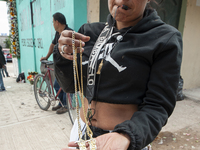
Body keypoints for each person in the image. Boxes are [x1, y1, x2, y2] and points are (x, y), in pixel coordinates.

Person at [54, 0, 183, 149]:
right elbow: (69, 86)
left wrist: (126, 136)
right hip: (81, 130)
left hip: (123, 139)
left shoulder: (164, 38)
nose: (121, 1)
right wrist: (62, 55)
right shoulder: (89, 33)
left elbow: (158, 105)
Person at [40, 12, 73, 114]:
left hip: (67, 66)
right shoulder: (58, 33)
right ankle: (61, 103)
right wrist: (46, 56)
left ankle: (66, 106)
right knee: (57, 86)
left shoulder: (69, 32)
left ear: (57, 22)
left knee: (67, 86)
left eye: (53, 22)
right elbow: (52, 45)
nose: (53, 24)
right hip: (59, 65)